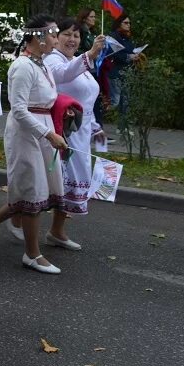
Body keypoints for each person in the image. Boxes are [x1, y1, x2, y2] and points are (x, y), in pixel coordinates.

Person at [0, 15, 69, 275]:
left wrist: (62, 115)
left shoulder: (44, 65)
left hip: (43, 131)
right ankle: (32, 254)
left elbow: (46, 99)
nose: (56, 39)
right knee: (32, 192)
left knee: (37, 189)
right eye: (52, 35)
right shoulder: (22, 67)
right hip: (25, 135)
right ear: (38, 38)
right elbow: (18, 110)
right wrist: (47, 134)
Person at [43, 18, 107, 250]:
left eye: (76, 36)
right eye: (67, 34)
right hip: (59, 133)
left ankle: (56, 231)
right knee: (47, 185)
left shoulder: (78, 62)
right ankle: (5, 219)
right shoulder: (53, 60)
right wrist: (90, 54)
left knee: (68, 186)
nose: (72, 40)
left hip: (79, 134)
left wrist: (95, 128)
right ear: (56, 37)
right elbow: (63, 76)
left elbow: (86, 102)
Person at [105, 13, 140, 143]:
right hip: (114, 73)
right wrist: (127, 57)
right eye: (126, 23)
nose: (128, 25)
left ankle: (123, 127)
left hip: (126, 73)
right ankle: (95, 120)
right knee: (115, 101)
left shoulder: (127, 37)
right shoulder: (113, 37)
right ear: (119, 23)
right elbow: (112, 53)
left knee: (125, 102)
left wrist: (134, 56)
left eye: (129, 23)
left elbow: (129, 51)